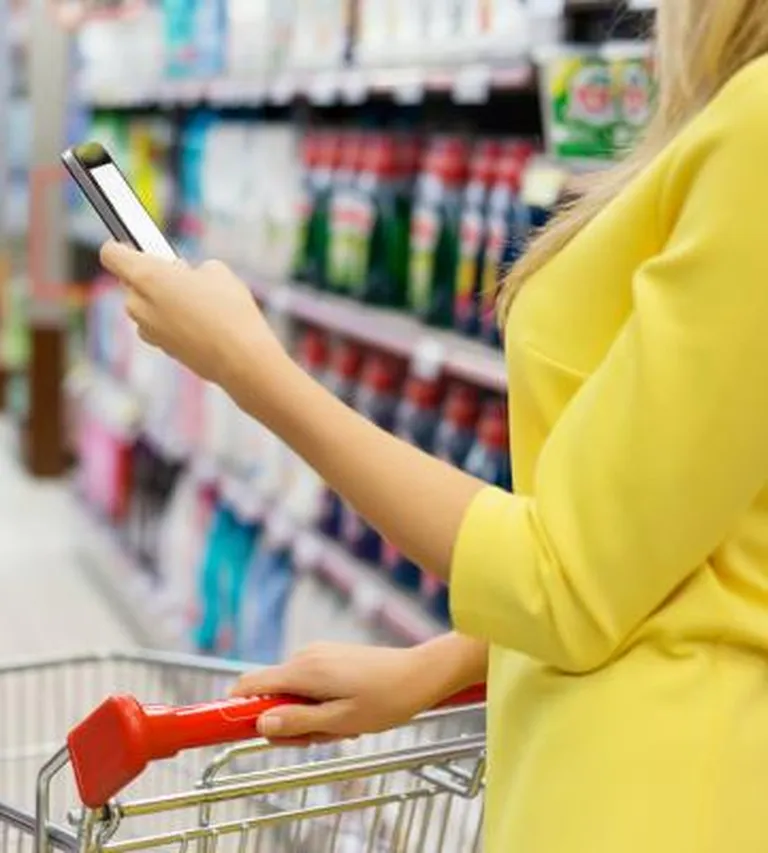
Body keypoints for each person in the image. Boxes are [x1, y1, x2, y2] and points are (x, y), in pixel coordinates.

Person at [100, 1, 768, 849]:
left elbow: (565, 575)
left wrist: (248, 368)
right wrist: (436, 667)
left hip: (657, 786)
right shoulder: (733, 113)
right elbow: (669, 545)